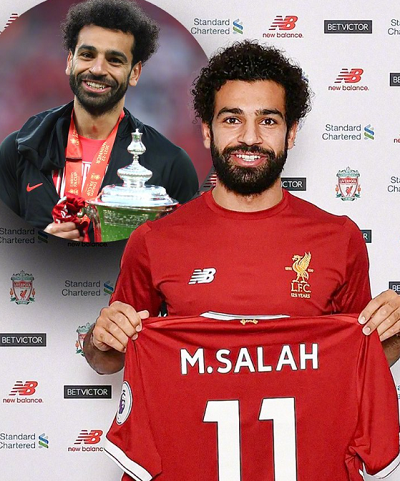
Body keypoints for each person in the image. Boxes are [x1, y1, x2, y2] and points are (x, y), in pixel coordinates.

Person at [83, 40, 400, 374]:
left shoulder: (340, 237)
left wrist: (395, 332)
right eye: (232, 119)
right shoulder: (153, 239)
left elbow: (362, 359)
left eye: (268, 121)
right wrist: (101, 339)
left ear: (291, 133)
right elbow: (107, 359)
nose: (250, 137)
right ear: (208, 131)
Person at [0, 0, 198, 241]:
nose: (97, 69)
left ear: (135, 73)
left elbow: (184, 253)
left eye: (114, 60)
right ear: (70, 61)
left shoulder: (170, 164)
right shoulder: (17, 152)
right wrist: (43, 244)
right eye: (87, 55)